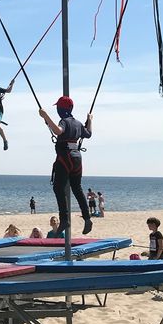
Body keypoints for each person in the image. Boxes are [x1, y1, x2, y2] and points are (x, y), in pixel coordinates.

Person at [38, 96, 93, 236]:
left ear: (61, 109)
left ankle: (64, 219)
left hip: (65, 157)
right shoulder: (79, 123)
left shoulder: (64, 121)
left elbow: (58, 131)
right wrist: (90, 120)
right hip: (77, 158)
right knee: (77, 188)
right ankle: (87, 217)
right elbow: (89, 134)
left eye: (57, 108)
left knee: (58, 188)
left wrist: (45, 116)